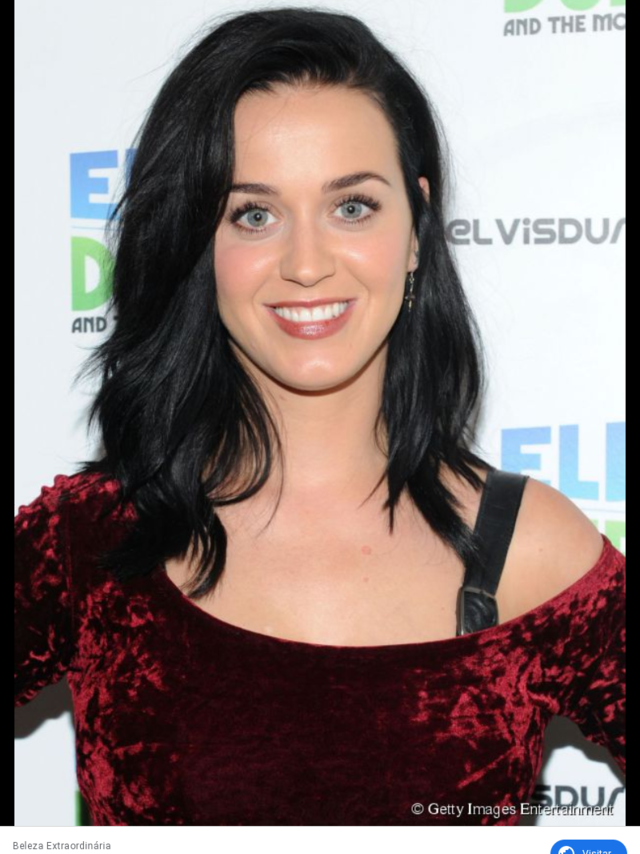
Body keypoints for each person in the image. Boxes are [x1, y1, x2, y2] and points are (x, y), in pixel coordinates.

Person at [15, 6, 625, 826]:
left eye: (352, 207)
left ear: (416, 226)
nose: (305, 265)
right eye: (254, 214)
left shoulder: (525, 548)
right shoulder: (89, 541)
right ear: (199, 241)